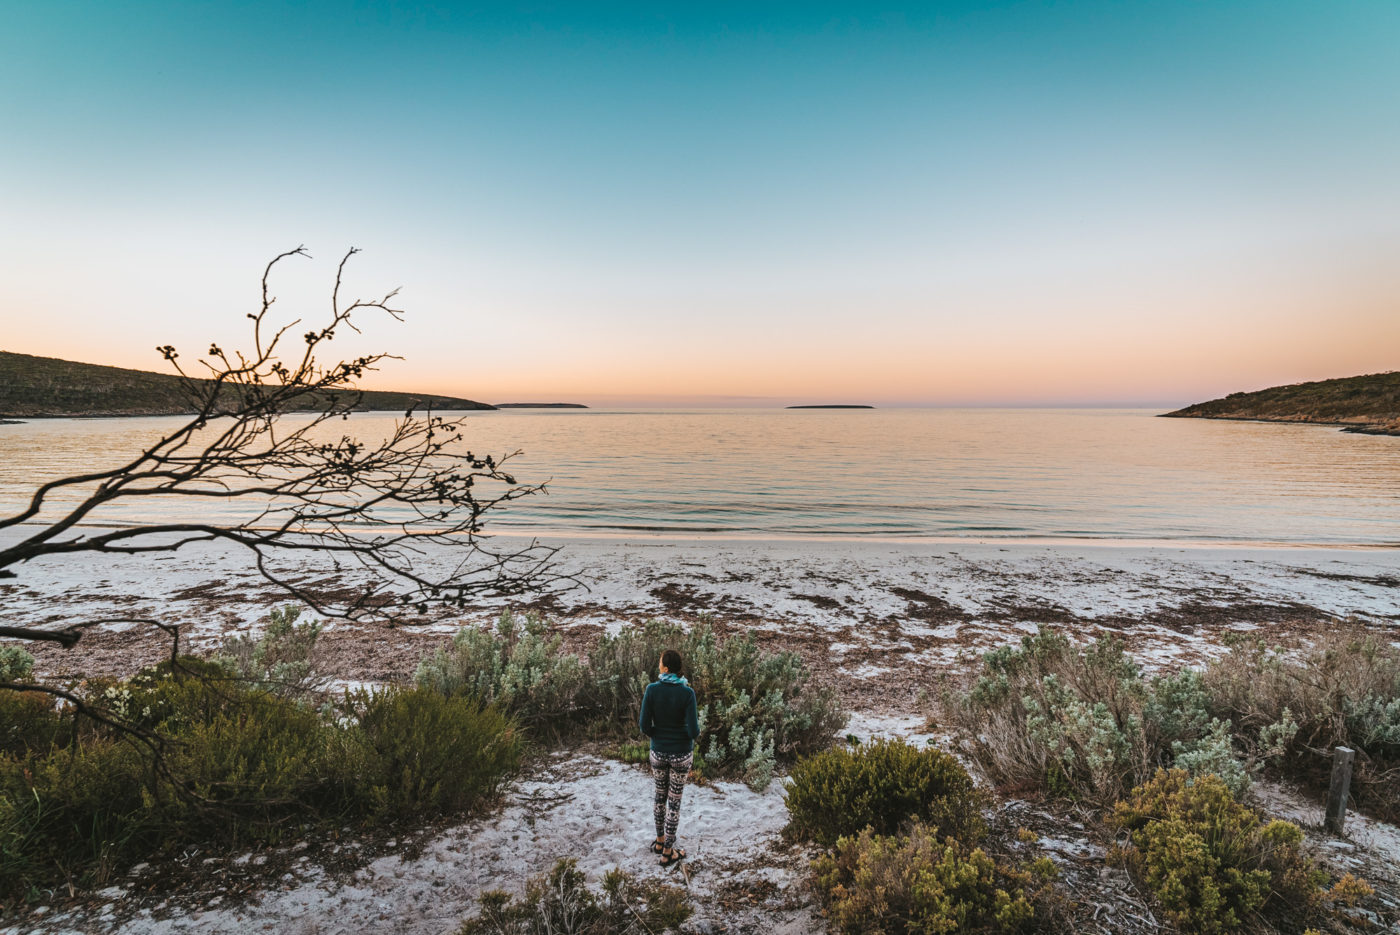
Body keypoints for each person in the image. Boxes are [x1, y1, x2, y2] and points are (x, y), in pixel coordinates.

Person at [638, 648, 699, 867]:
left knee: (659, 796)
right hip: (681, 754)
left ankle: (659, 841)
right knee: (674, 801)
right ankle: (668, 852)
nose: (658, 665)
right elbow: (694, 731)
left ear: (665, 667)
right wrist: (679, 737)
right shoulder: (687, 693)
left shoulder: (652, 690)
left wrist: (659, 736)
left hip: (658, 751)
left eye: (659, 662)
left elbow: (644, 725)